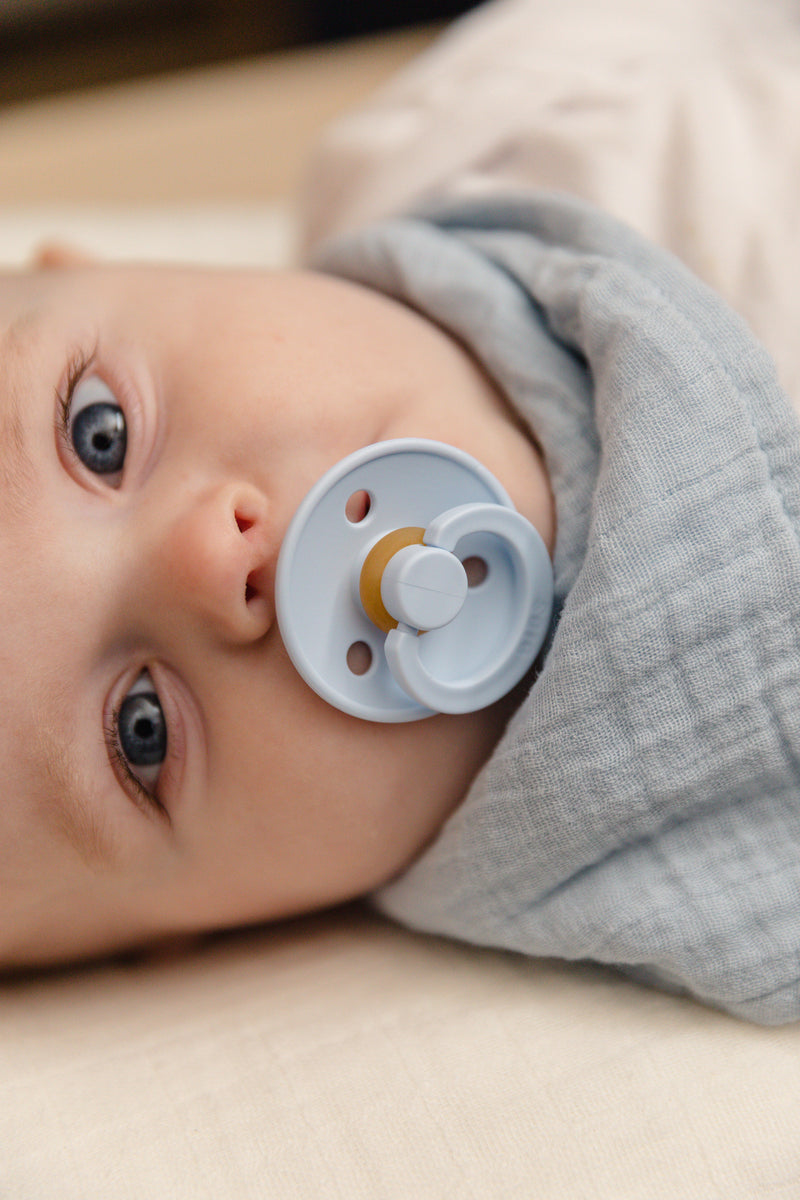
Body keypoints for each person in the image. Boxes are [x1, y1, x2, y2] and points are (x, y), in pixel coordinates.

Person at [2, 0, 799, 1026]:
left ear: (107, 270)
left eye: (98, 433)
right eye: (141, 733)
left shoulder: (475, 125)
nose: (210, 563)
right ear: (219, 929)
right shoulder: (708, 912)